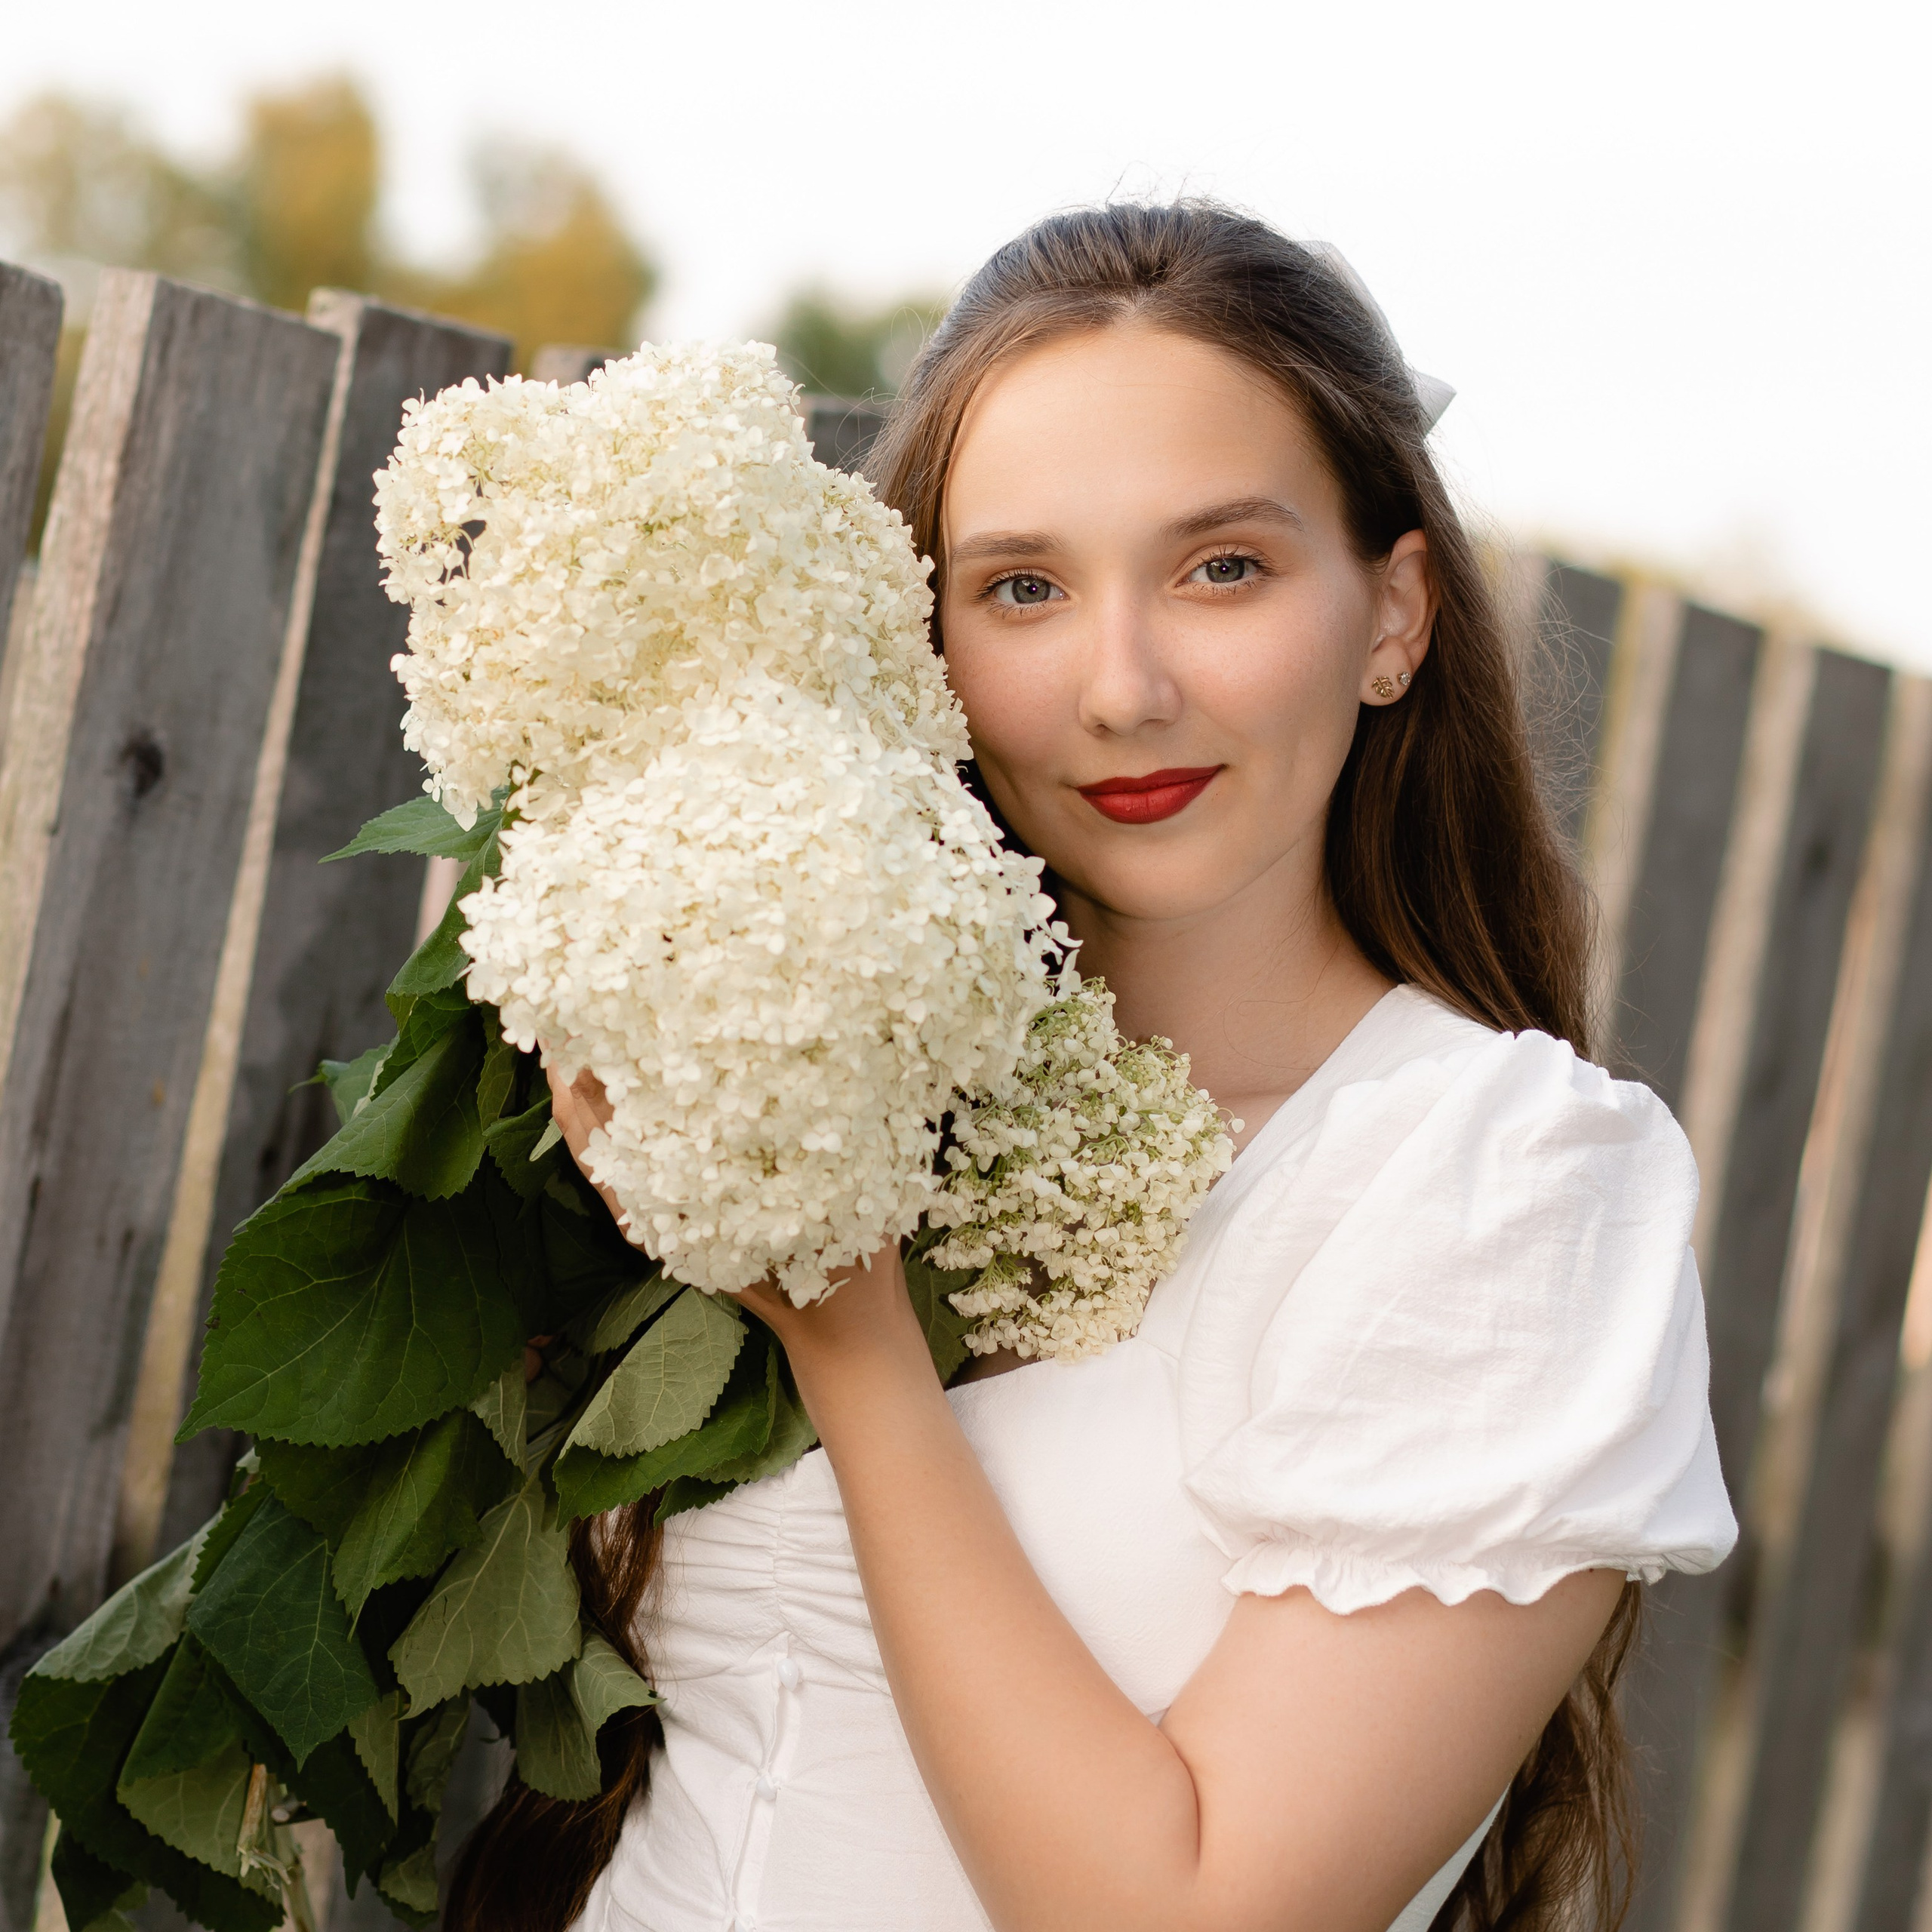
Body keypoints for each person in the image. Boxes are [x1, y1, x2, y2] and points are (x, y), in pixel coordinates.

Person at [448, 201, 1737, 1932]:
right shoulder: (808, 1067)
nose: (1120, 687)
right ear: (920, 635)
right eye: (1023, 587)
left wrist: (853, 1341)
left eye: (1222, 566)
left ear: (1392, 613)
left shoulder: (1488, 1181)